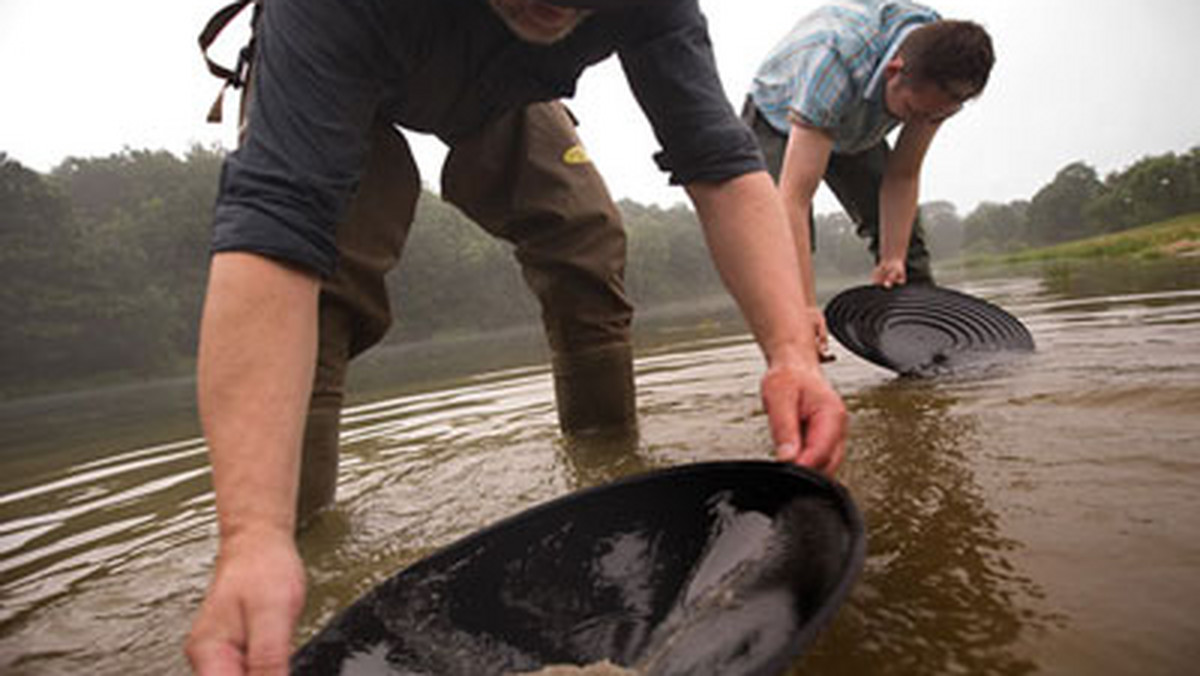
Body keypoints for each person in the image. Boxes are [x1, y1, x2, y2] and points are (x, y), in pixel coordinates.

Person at [185, 0, 847, 673]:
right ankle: (286, 546)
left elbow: (720, 162)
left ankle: (608, 472)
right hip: (357, 78)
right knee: (329, 284)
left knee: (584, 236)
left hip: (501, 89)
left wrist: (791, 353)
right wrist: (252, 535)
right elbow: (275, 232)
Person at [742, 0, 994, 351]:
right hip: (780, 118)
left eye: (933, 118)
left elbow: (903, 175)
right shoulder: (835, 59)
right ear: (894, 70)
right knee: (779, 251)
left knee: (907, 249)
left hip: (860, 124)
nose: (914, 123)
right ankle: (796, 359)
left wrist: (893, 257)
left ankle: (928, 357)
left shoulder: (941, 69)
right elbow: (794, 199)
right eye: (911, 112)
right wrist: (804, 305)